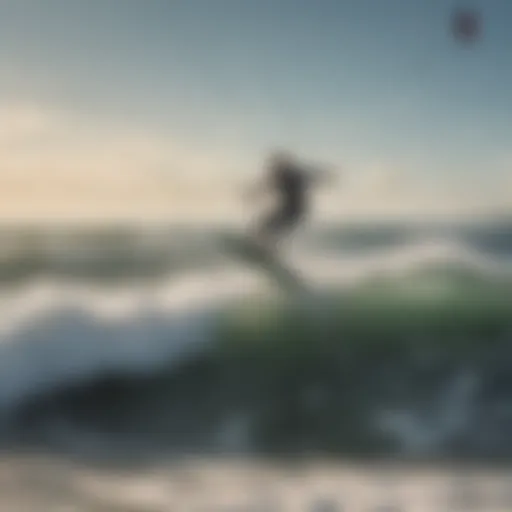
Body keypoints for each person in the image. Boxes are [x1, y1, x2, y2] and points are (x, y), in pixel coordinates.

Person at [247, 150, 335, 253]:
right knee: (264, 227)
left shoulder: (295, 174)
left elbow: (313, 174)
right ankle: (267, 249)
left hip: (296, 210)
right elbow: (263, 186)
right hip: (287, 209)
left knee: (270, 228)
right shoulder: (277, 176)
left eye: (278, 166)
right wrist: (251, 194)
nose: (274, 169)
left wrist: (325, 175)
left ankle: (268, 250)